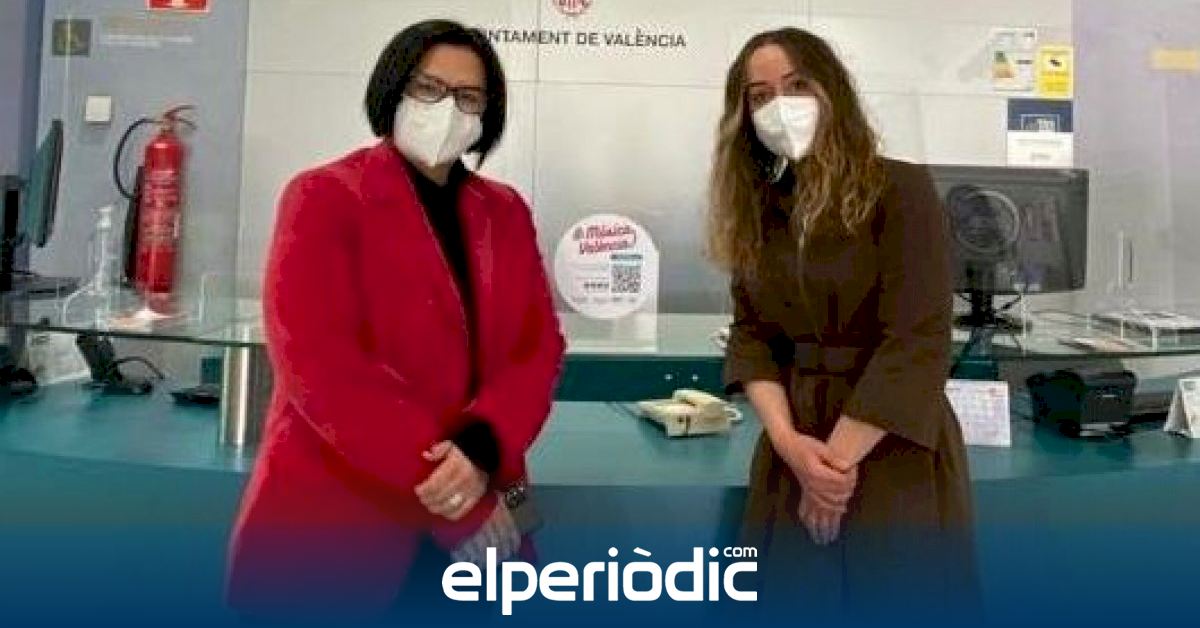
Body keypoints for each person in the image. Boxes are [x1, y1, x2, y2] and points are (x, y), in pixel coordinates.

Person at [226, 19, 565, 621]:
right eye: (428, 88)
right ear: (393, 89)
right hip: (346, 519)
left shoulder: (505, 211)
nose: (448, 109)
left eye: (469, 97)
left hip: (488, 497)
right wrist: (455, 498)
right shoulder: (323, 196)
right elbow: (321, 365)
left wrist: (483, 444)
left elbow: (538, 349)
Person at [707, 28, 978, 621]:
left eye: (797, 86)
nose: (780, 106)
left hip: (889, 442)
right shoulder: (761, 208)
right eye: (760, 96)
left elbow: (915, 341)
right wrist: (790, 447)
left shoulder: (901, 190)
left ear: (832, 91)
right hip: (796, 446)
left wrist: (834, 469)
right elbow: (752, 336)